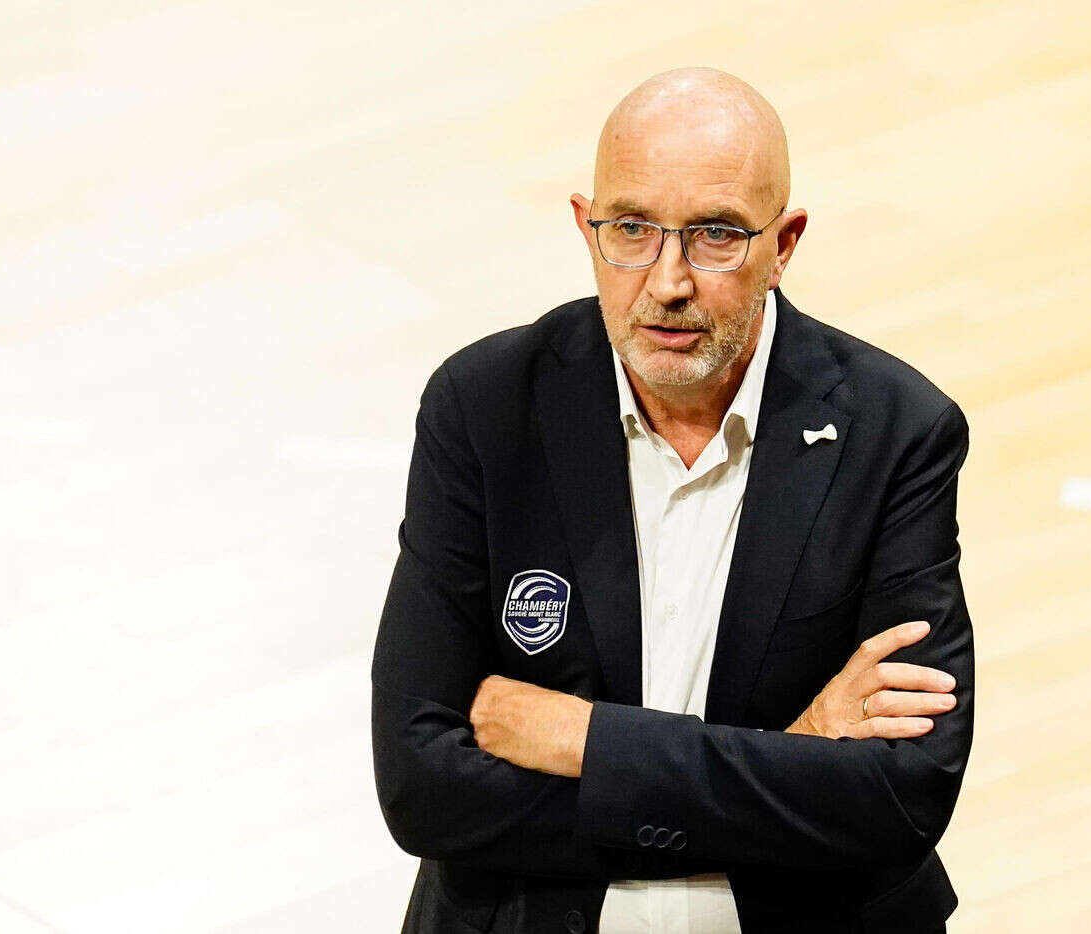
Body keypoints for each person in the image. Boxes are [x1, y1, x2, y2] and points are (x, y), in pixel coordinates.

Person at [371, 67, 973, 934]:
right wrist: (793, 760)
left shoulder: (897, 431)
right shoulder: (485, 406)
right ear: (586, 227)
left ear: (787, 242)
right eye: (632, 230)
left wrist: (586, 745)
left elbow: (901, 800)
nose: (667, 281)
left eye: (717, 235)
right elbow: (423, 789)